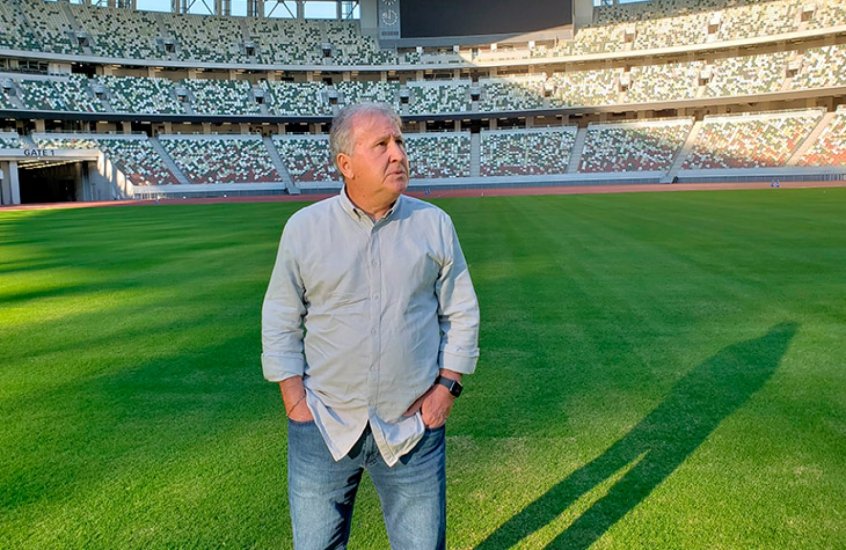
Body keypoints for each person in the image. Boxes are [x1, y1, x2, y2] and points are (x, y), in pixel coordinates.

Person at [261, 102, 480, 550]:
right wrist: (294, 401)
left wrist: (446, 392)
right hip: (321, 424)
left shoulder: (433, 224)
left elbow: (461, 311)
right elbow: (281, 317)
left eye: (399, 141)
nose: (398, 153)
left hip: (411, 429)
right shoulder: (304, 229)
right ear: (346, 164)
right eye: (381, 144)